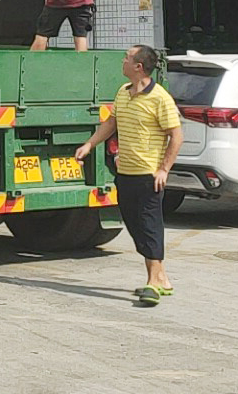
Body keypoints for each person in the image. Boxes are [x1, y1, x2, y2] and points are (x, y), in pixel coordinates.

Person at [74, 44, 183, 306]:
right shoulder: (123, 93)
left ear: (139, 67)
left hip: (149, 175)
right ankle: (163, 278)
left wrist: (164, 169)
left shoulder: (160, 98)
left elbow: (176, 136)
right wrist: (90, 144)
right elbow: (111, 123)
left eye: (127, 58)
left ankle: (153, 283)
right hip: (126, 173)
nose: (122, 62)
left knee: (149, 225)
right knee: (134, 225)